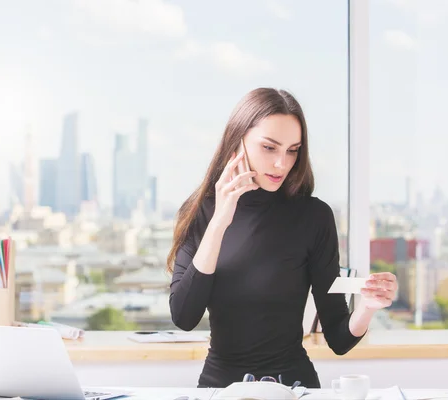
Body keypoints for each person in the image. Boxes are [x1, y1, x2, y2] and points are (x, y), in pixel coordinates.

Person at [166, 88, 398, 389]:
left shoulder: (314, 217)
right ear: (237, 142)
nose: (281, 163)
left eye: (292, 150)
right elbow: (183, 316)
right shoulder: (201, 211)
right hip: (220, 388)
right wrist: (220, 220)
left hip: (294, 387)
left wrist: (367, 308)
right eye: (269, 148)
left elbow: (339, 339)